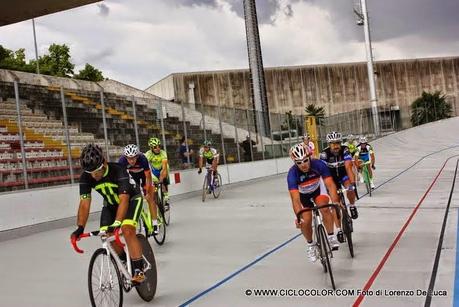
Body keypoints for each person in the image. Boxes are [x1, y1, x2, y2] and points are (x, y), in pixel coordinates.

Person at [71, 144, 145, 284]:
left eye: (96, 171)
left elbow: (124, 200)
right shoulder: (86, 177)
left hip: (131, 199)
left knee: (127, 229)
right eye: (90, 172)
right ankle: (124, 261)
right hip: (110, 204)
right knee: (107, 235)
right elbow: (85, 203)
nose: (94, 175)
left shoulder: (118, 170)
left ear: (103, 163)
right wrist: (80, 228)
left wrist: (118, 223)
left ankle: (138, 269)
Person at [287, 143, 341, 263]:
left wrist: (336, 202)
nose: (303, 164)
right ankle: (311, 245)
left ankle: (331, 237)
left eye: (305, 160)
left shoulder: (318, 164)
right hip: (303, 197)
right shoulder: (292, 174)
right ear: (294, 162)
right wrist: (298, 216)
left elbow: (330, 185)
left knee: (324, 207)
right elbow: (295, 199)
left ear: (309, 157)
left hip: (318, 191)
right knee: (305, 220)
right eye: (299, 162)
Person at [118, 144, 159, 235]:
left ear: (137, 156)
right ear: (125, 157)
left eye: (133, 158)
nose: (131, 160)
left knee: (150, 198)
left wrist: (147, 191)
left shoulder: (143, 159)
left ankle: (155, 224)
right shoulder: (121, 161)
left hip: (144, 175)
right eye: (129, 158)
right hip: (132, 175)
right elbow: (122, 178)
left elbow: (148, 177)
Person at [320, 131, 358, 224]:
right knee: (335, 205)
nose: (336, 146)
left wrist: (353, 184)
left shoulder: (345, 150)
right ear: (329, 144)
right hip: (331, 179)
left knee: (350, 189)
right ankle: (339, 229)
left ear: (340, 143)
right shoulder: (324, 154)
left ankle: (352, 205)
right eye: (333, 144)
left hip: (343, 175)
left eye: (337, 143)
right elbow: (323, 172)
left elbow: (348, 166)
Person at [145, 137, 170, 203]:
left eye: (159, 146)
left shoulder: (163, 153)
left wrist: (162, 179)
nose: (158, 148)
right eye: (155, 147)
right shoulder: (148, 154)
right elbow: (145, 167)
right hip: (154, 170)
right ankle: (155, 197)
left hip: (162, 168)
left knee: (166, 169)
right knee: (154, 186)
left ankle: (166, 194)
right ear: (151, 148)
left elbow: (164, 167)